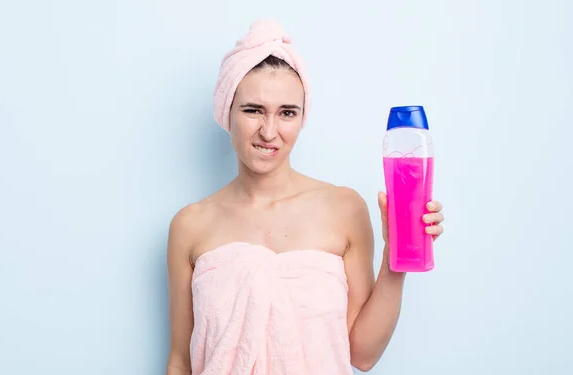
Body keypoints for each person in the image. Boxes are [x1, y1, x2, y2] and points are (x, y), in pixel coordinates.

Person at [166, 19, 445, 375]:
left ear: (301, 119)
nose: (269, 132)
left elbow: (362, 355)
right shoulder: (190, 225)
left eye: (287, 113)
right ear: (227, 113)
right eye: (252, 110)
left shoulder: (343, 209)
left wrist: (397, 255)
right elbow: (180, 361)